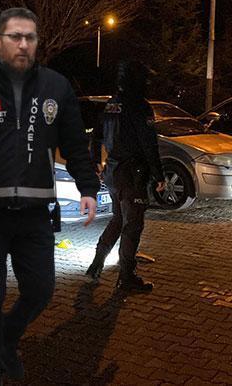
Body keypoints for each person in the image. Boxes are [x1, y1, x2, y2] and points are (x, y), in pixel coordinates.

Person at [0, 7, 100, 385]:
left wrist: (87, 188)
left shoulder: (56, 87)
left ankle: (7, 339)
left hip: (35, 213)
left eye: (30, 37)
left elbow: (74, 143)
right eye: (15, 36)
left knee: (41, 289)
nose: (23, 44)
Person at [85, 60, 165, 291]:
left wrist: (95, 162)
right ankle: (126, 277)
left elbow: (96, 136)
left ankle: (96, 264)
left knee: (118, 219)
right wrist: (158, 175)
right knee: (133, 225)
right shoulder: (140, 106)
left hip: (113, 172)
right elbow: (149, 143)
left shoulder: (112, 104)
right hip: (132, 174)